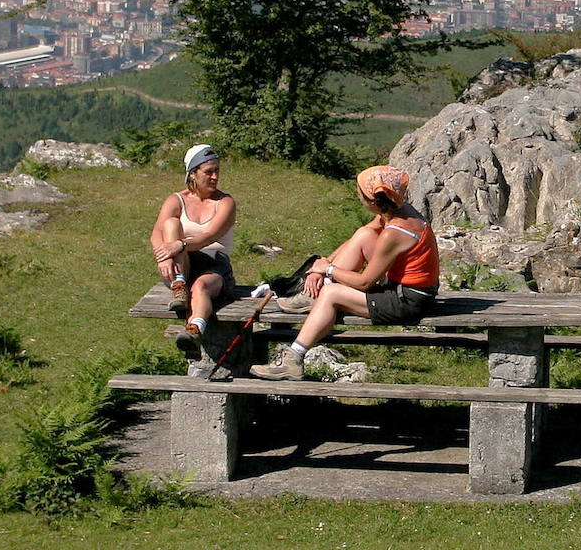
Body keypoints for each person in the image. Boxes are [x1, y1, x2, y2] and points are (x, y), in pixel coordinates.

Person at [251, 165, 438, 380]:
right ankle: (315, 293)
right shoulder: (397, 211)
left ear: (372, 200)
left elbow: (364, 283)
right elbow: (356, 241)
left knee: (332, 295)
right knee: (363, 234)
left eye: (359, 192)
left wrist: (330, 269)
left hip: (408, 300)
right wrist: (320, 268)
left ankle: (293, 359)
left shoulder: (395, 233)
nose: (357, 195)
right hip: (406, 287)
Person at [151, 144, 236, 354]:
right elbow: (156, 234)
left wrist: (181, 245)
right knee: (170, 224)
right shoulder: (176, 200)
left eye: (217, 171)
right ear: (193, 173)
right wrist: (163, 257)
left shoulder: (225, 202)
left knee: (200, 286)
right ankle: (178, 286)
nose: (215, 177)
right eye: (208, 172)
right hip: (182, 263)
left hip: (214, 263)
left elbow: (209, 236)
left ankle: (194, 329)